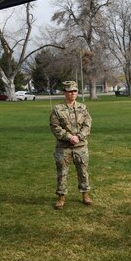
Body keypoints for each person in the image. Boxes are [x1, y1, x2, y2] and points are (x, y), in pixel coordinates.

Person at [50, 81, 93, 210]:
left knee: (83, 172)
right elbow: (55, 127)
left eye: (74, 91)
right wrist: (70, 137)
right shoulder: (57, 109)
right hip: (64, 147)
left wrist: (79, 136)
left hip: (80, 147)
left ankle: (85, 195)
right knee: (62, 173)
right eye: (69, 91)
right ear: (64, 93)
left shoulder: (83, 108)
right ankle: (61, 197)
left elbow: (87, 124)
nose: (72, 93)